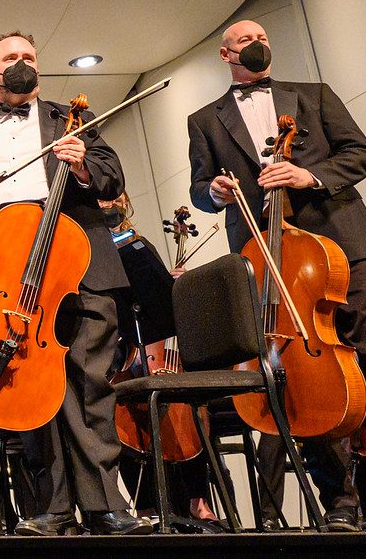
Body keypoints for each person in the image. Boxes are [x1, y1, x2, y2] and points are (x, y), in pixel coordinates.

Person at [187, 19, 366, 531]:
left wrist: (309, 175)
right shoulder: (205, 120)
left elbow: (361, 153)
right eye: (245, 40)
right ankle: (341, 503)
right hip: (272, 259)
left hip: (344, 248)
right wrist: (214, 192)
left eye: (262, 36)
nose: (257, 44)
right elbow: (201, 187)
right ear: (226, 54)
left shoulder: (313, 94)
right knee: (302, 380)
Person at [0, 31, 149, 536]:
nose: (22, 63)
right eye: (11, 58)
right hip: (3, 268)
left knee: (90, 383)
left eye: (29, 56)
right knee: (29, 388)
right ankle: (52, 508)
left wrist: (83, 165)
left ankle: (105, 505)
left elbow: (112, 177)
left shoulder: (70, 120)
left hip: (76, 264)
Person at [98, 192, 219, 527]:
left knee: (184, 398)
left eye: (114, 199)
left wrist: (175, 286)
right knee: (116, 406)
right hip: (127, 353)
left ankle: (199, 497)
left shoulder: (140, 247)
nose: (108, 205)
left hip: (160, 349)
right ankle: (147, 503)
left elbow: (161, 304)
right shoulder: (96, 255)